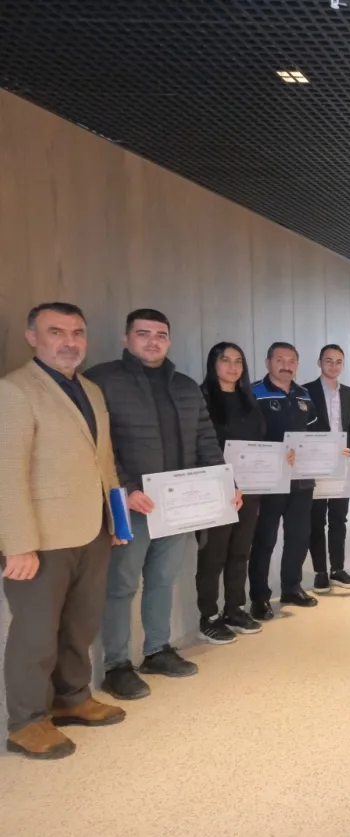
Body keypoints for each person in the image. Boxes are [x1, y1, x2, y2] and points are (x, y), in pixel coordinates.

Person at [86, 308, 235, 701]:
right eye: (143, 333)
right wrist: (126, 488)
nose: (153, 341)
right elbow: (97, 445)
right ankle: (117, 665)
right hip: (132, 505)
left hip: (177, 507)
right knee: (121, 586)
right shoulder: (102, 380)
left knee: (163, 579)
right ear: (126, 338)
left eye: (161, 335)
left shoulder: (185, 386)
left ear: (169, 340)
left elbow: (206, 440)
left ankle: (156, 650)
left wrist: (224, 485)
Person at [0, 303, 126, 759]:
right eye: (56, 332)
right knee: (36, 633)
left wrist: (117, 519)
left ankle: (72, 698)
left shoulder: (89, 390)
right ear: (32, 337)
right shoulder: (14, 390)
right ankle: (27, 721)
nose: (69, 342)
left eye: (77, 332)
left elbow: (104, 461)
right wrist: (18, 545)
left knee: (80, 624)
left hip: (92, 530)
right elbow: (7, 473)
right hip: (42, 539)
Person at [195, 342, 273, 644]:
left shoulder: (248, 399)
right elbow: (200, 444)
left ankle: (234, 608)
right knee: (214, 553)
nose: (233, 367)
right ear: (213, 364)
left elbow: (259, 441)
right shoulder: (202, 399)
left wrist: (280, 459)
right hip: (216, 488)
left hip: (249, 488)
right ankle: (208, 616)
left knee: (241, 550)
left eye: (238, 361)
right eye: (225, 360)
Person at [249, 342, 326, 617]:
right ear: (268, 362)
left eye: (291, 360)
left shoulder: (304, 395)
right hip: (268, 478)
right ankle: (259, 597)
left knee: (299, 535)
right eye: (279, 360)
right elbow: (247, 436)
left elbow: (315, 434)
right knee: (265, 538)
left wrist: (330, 452)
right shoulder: (253, 393)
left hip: (301, 478)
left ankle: (292, 587)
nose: (286, 365)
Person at [304, 344, 350, 592]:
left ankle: (338, 569)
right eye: (328, 360)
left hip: (342, 464)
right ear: (319, 363)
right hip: (315, 464)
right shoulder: (305, 391)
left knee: (339, 518)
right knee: (316, 519)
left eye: (338, 362)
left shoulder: (349, 393)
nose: (333, 366)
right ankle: (320, 572)